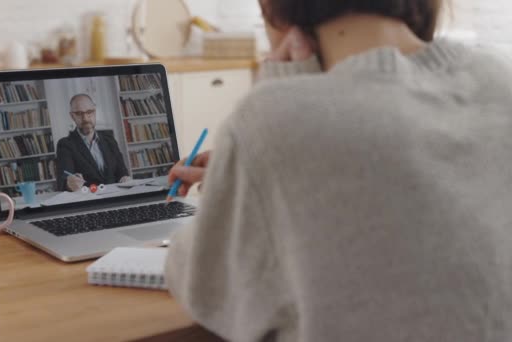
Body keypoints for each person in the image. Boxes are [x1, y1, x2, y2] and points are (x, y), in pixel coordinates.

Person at [165, 0, 512, 341]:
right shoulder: (498, 78)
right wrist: (255, 181)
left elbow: (201, 283)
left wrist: (281, 101)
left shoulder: (276, 119)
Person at [56, 94, 130, 192]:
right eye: (79, 113)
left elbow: (122, 171)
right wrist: (69, 184)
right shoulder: (65, 145)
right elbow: (63, 181)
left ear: (95, 111)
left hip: (115, 197)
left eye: (89, 112)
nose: (85, 118)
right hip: (89, 201)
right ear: (72, 116)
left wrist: (125, 178)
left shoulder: (109, 139)